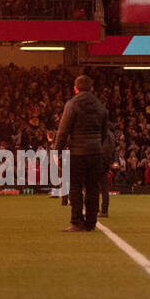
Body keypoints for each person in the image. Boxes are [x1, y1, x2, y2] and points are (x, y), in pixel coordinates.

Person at [53, 73, 108, 232]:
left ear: (75, 88)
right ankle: (91, 222)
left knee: (75, 187)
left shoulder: (72, 104)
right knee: (93, 188)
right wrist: (98, 145)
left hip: (77, 152)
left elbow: (63, 130)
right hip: (95, 152)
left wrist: (57, 150)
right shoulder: (100, 106)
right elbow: (105, 132)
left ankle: (77, 222)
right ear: (91, 88)